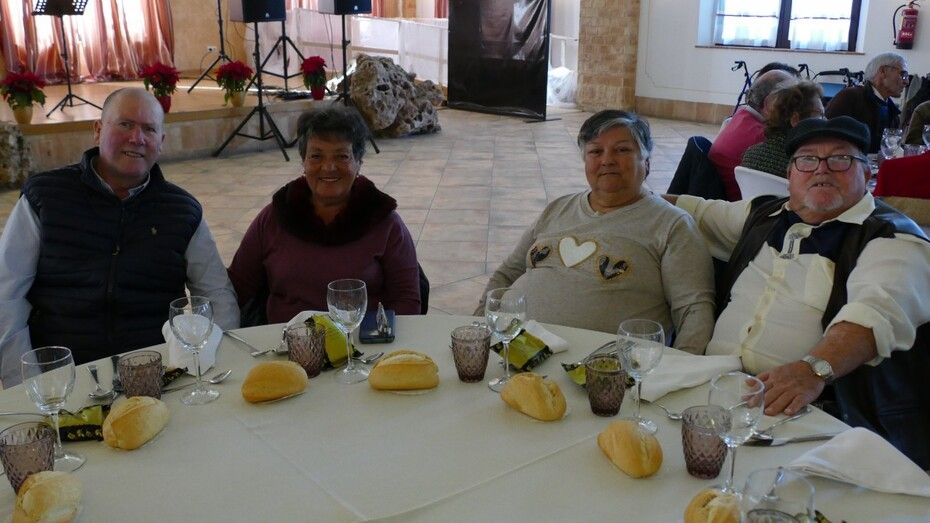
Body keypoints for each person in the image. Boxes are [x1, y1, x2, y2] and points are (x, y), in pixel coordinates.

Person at [666, 117, 930, 467]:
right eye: (807, 159)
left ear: (867, 173)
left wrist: (813, 370)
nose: (822, 169)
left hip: (812, 417)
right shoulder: (764, 215)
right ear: (790, 174)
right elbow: (688, 210)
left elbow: (874, 314)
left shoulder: (893, 239)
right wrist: (616, 192)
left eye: (841, 158)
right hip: (712, 392)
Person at [0, 87, 239, 387]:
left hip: (155, 374)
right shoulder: (46, 198)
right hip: (63, 375)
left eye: (149, 129)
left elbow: (217, 294)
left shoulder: (182, 211)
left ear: (161, 142)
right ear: (97, 130)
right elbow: (6, 295)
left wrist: (212, 365)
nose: (137, 138)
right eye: (125, 124)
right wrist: (25, 383)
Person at [476, 110, 715, 354]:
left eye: (622, 150)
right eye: (596, 151)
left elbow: (694, 310)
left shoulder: (672, 225)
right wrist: (476, 330)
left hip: (601, 366)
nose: (607, 160)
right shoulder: (558, 209)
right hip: (509, 349)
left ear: (647, 163)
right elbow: (507, 274)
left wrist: (680, 370)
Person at [227, 105, 420, 324]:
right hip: (286, 340)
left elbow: (407, 300)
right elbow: (237, 288)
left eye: (342, 156)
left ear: (359, 163)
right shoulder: (275, 217)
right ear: (304, 161)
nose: (328, 167)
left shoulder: (384, 222)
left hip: (359, 341)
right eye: (316, 156)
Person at [710, 70, 798, 200]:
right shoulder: (761, 136)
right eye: (792, 101)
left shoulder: (739, 117)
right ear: (770, 104)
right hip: (744, 204)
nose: (796, 108)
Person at [825, 52, 909, 153]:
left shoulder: (892, 111)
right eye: (903, 75)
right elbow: (828, 140)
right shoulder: (849, 98)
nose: (906, 82)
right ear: (883, 71)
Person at [741, 81, 825, 177]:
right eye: (820, 114)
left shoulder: (750, 155)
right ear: (795, 120)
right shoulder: (806, 167)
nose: (825, 120)